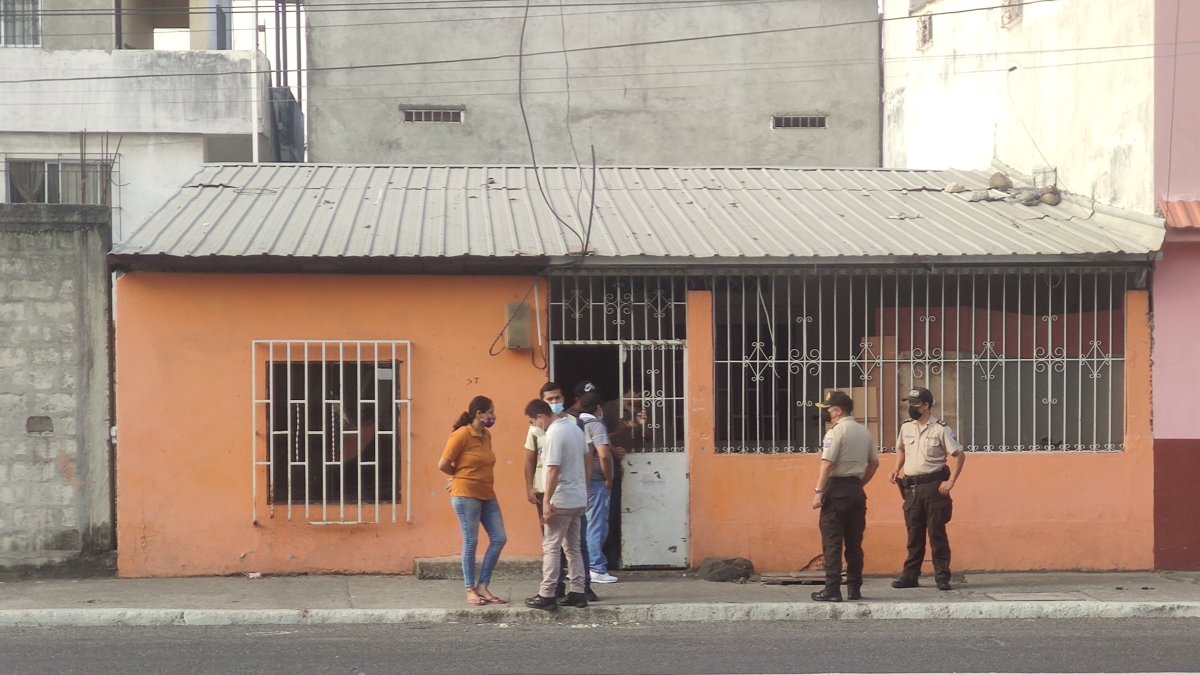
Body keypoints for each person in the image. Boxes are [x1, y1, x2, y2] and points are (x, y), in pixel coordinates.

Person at [522, 382, 597, 601]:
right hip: (577, 498)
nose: (534, 427)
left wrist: (547, 501)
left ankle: (546, 593)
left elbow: (553, 469)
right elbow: (587, 457)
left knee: (551, 546)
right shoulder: (575, 428)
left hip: (561, 498)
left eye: (533, 422)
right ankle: (578, 591)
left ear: (540, 417)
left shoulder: (554, 434)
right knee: (573, 547)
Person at [889, 386, 966, 591]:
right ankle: (910, 575)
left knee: (936, 533)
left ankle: (942, 576)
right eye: (910, 403)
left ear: (926, 405)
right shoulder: (906, 427)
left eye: (915, 404)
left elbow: (959, 455)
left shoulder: (940, 428)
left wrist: (951, 482)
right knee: (914, 534)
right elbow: (901, 449)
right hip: (912, 487)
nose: (911, 407)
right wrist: (896, 469)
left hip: (934, 487)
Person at [810, 390, 880, 602]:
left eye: (829, 410)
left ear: (838, 411)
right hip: (856, 491)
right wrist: (859, 484)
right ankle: (854, 588)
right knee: (854, 543)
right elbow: (874, 463)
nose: (827, 414)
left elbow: (827, 464)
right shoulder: (864, 432)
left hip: (836, 491)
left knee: (832, 543)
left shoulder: (835, 432)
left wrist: (818, 492)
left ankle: (832, 589)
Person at [438, 395, 508, 607]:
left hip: (487, 493)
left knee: (499, 538)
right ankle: (470, 589)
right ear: (479, 413)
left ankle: (483, 585)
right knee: (471, 541)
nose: (493, 416)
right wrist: (458, 476)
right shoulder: (461, 434)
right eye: (491, 412)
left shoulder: (486, 435)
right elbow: (443, 464)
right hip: (466, 494)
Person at [577, 391, 618, 584]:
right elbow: (604, 455)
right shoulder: (595, 425)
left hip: (579, 480)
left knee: (582, 525)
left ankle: (582, 566)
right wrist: (609, 478)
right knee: (596, 525)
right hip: (595, 480)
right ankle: (596, 567)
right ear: (599, 408)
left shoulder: (574, 423)